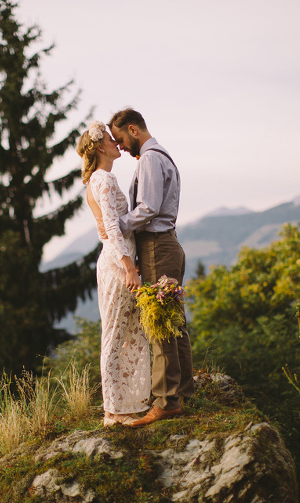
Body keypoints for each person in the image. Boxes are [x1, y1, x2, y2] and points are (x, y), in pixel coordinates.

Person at [108, 108, 194, 428]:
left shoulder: (150, 159)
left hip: (157, 246)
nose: (120, 146)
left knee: (159, 323)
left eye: (120, 139)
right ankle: (182, 391)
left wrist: (116, 226)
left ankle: (166, 401)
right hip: (165, 244)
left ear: (133, 129)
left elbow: (147, 208)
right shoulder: (160, 156)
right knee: (173, 322)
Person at [76, 120, 151, 427]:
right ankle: (113, 412)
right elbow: (110, 226)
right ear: (98, 146)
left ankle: (126, 405)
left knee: (130, 331)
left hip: (117, 261)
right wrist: (129, 267)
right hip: (118, 265)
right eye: (110, 139)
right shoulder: (103, 179)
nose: (116, 142)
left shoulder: (100, 178)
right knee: (116, 334)